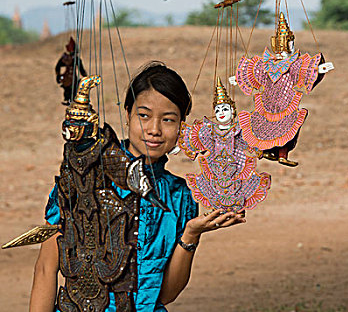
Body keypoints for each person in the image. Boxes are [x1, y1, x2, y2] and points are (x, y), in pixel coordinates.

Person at [29, 62, 245, 312]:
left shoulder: (180, 196)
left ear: (181, 125)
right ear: (128, 113)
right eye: (144, 115)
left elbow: (165, 295)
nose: (154, 130)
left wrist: (190, 235)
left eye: (168, 119)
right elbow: (46, 268)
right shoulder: (85, 176)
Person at [230, 12, 334, 167]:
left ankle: (281, 154)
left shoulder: (290, 63)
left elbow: (304, 70)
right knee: (267, 126)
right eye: (290, 43)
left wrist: (319, 69)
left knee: (288, 127)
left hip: (286, 102)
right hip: (269, 103)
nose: (291, 46)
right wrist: (238, 79)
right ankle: (268, 151)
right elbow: (254, 72)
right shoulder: (271, 63)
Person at [178, 77, 271, 212]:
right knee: (215, 188)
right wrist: (177, 145)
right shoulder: (209, 129)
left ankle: (238, 208)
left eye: (224, 109)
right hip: (215, 166)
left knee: (240, 187)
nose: (221, 113)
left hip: (237, 165)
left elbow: (254, 142)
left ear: (232, 111)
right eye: (218, 110)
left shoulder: (241, 128)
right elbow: (194, 138)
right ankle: (219, 209)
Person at [55, 37, 87, 105]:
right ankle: (70, 100)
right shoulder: (71, 59)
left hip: (70, 79)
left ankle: (71, 100)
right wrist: (58, 75)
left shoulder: (73, 59)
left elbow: (81, 70)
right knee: (72, 88)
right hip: (68, 78)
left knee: (74, 88)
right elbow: (82, 70)